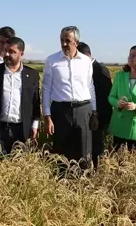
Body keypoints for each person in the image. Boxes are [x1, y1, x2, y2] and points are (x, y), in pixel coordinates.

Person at [42, 26, 98, 170]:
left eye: (68, 40)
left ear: (76, 42)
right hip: (61, 111)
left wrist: (94, 111)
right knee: (61, 151)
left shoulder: (86, 61)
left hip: (83, 109)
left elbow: (90, 86)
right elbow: (46, 89)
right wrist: (47, 116)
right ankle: (62, 186)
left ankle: (84, 184)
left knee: (84, 151)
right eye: (62, 40)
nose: (64, 44)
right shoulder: (52, 60)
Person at [0, 37, 41, 155]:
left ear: (21, 54)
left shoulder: (31, 75)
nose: (7, 54)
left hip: (21, 129)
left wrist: (35, 125)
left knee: (19, 165)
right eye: (6, 50)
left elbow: (35, 101)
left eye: (12, 52)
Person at [76, 42, 112, 168]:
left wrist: (102, 119)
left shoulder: (100, 70)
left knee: (96, 149)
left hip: (98, 118)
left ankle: (96, 174)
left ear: (86, 55)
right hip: (86, 115)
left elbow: (105, 97)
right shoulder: (84, 68)